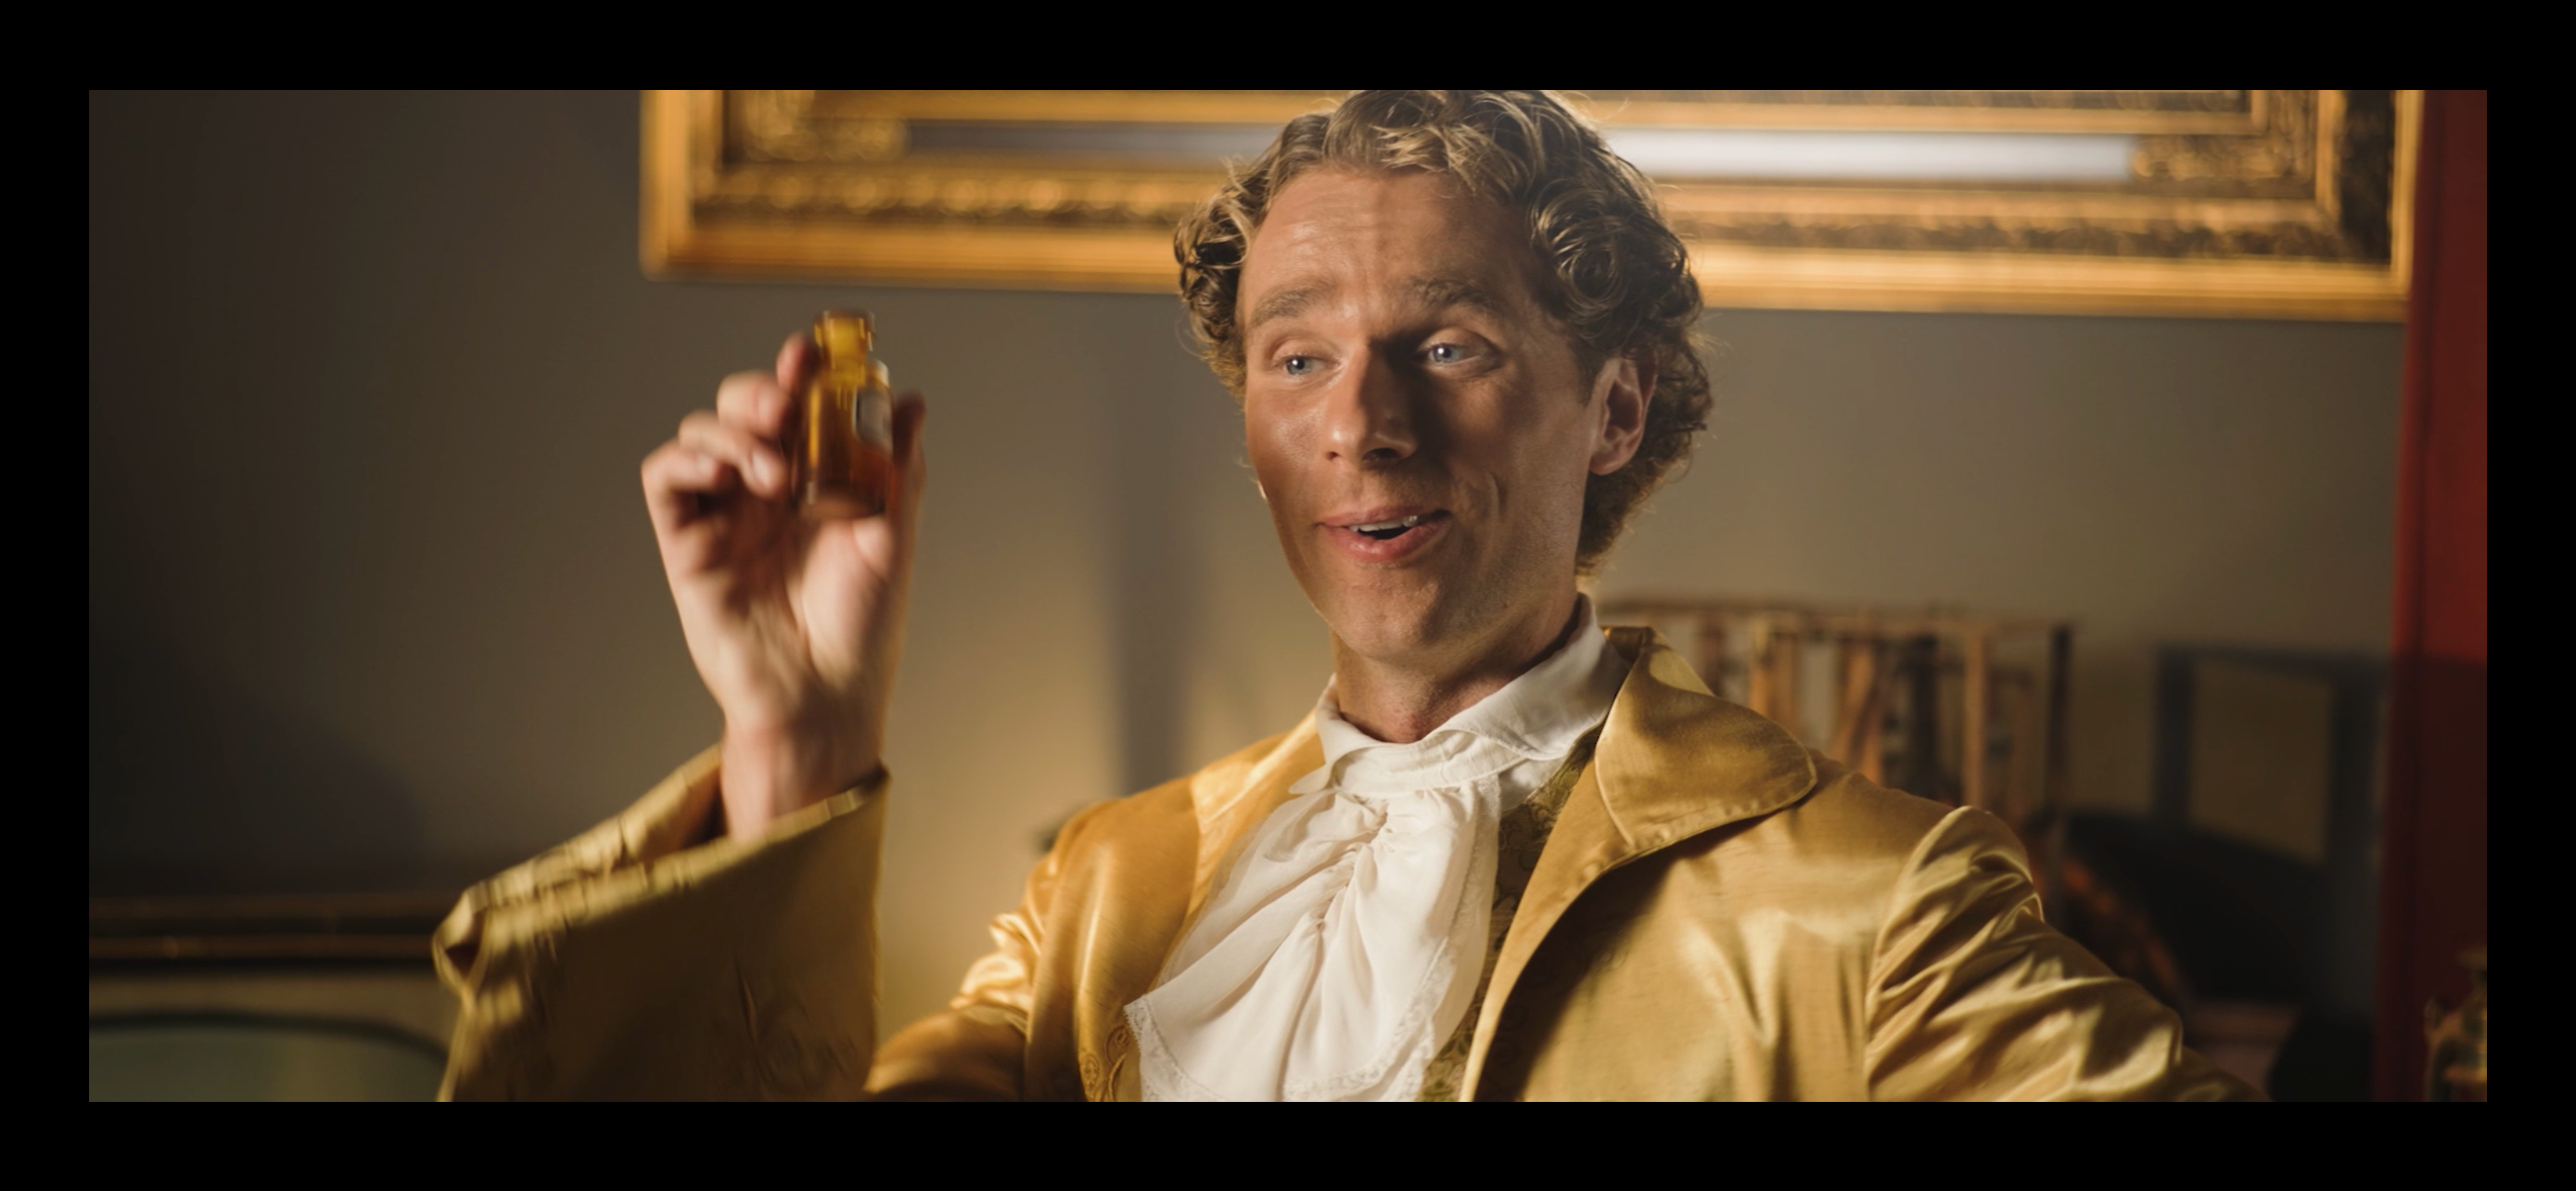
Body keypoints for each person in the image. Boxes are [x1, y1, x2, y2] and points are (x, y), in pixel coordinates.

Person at [434, 90, 2253, 1101]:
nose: (1363, 427)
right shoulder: (1100, 893)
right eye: (1296, 358)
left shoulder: (1864, 906)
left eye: (1447, 346)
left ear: (1614, 409)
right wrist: (797, 734)